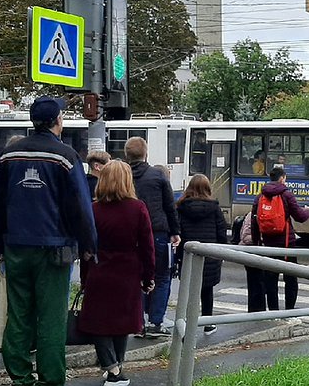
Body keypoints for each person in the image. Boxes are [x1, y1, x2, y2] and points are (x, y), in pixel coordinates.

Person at [0, 97, 98, 386]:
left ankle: (21, 376)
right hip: (55, 249)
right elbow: (80, 207)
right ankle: (51, 379)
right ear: (57, 121)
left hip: (15, 246)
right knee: (51, 318)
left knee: (19, 313)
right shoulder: (66, 156)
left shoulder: (9, 155)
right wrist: (89, 246)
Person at [79, 161, 155, 386]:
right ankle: (117, 368)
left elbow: (86, 247)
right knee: (123, 321)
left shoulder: (93, 209)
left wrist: (85, 279)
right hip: (128, 271)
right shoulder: (138, 207)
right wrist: (148, 276)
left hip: (100, 270)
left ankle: (112, 368)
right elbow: (147, 246)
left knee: (98, 322)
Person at [125, 137, 181, 337]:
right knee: (162, 276)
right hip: (158, 232)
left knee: (137, 276)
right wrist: (175, 232)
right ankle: (156, 321)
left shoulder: (124, 176)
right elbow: (169, 206)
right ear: (145, 153)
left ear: (127, 155)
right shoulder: (157, 176)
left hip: (131, 234)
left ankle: (138, 321)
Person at [251, 166, 309, 311]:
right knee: (291, 279)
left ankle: (274, 312)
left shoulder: (260, 196)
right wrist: (308, 210)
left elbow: (254, 221)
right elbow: (300, 217)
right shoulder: (286, 195)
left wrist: (256, 243)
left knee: (270, 280)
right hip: (286, 245)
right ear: (282, 178)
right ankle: (289, 311)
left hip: (268, 244)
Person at [177, 174, 227, 335]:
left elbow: (178, 231)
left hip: (188, 255)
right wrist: (221, 252)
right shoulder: (214, 208)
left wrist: (179, 255)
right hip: (209, 255)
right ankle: (208, 323)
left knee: (189, 291)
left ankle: (186, 324)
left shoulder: (181, 207)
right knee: (207, 290)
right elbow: (221, 232)